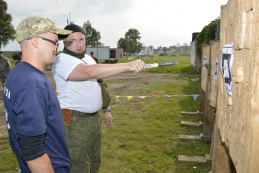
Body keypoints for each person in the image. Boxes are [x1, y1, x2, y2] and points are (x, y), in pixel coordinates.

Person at [52, 24, 146, 172]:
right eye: (73, 41)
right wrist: (127, 65)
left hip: (93, 119)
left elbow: (98, 83)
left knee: (95, 161)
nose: (79, 44)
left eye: (81, 39)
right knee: (78, 165)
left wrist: (106, 109)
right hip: (74, 121)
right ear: (65, 43)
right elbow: (89, 73)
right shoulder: (62, 61)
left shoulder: (88, 58)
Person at [3, 16, 72, 172]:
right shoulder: (31, 84)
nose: (57, 49)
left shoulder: (18, 72)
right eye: (55, 43)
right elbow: (33, 153)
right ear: (35, 41)